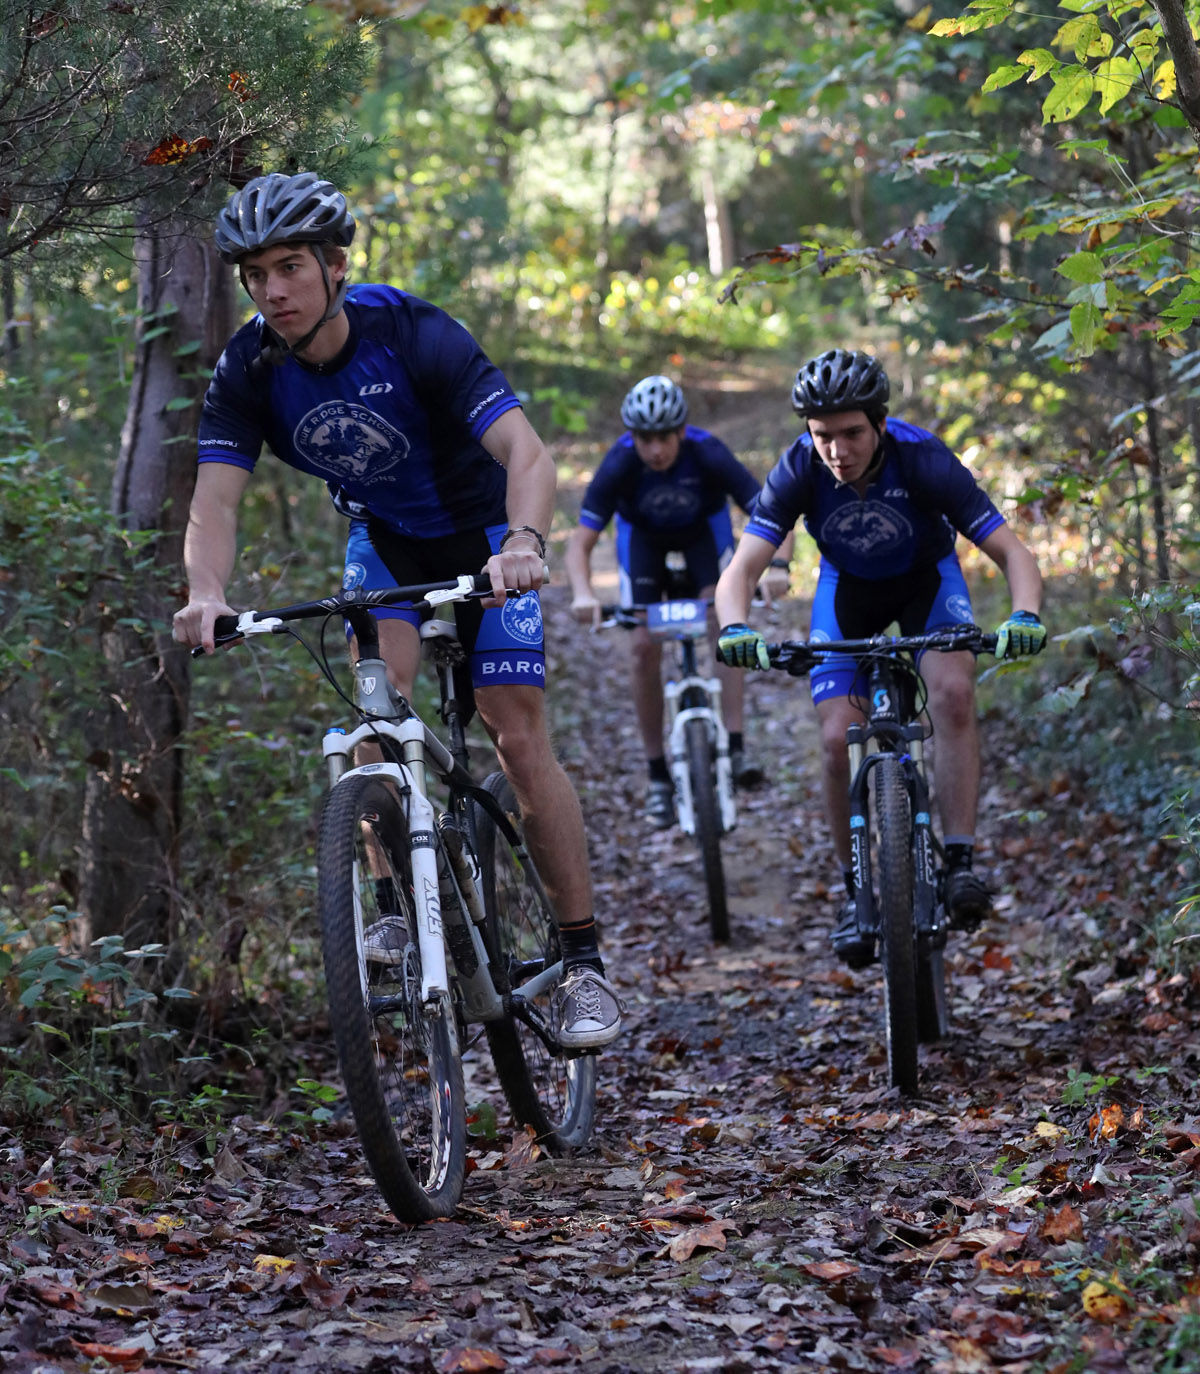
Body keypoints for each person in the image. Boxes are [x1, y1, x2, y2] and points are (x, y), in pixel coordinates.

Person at [171, 171, 621, 1048]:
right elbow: (214, 503)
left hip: (490, 537)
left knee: (518, 737)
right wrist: (206, 595)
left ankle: (584, 964)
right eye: (255, 274)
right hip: (388, 543)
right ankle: (389, 903)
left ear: (337, 265)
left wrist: (524, 543)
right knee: (374, 727)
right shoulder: (249, 368)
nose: (272, 289)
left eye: (290, 266)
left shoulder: (413, 333)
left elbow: (526, 452)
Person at [713, 348, 1045, 967]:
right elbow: (741, 571)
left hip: (927, 582)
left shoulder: (923, 459)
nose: (837, 449)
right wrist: (735, 626)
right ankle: (853, 891)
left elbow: (1013, 553)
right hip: (848, 593)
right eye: (823, 436)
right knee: (837, 740)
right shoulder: (797, 470)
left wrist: (1024, 613)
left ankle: (961, 861)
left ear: (881, 425)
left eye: (852, 433)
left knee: (951, 694)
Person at [564, 375, 792, 827]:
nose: (654, 450)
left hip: (703, 541)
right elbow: (579, 545)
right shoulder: (620, 462)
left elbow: (771, 513)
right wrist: (584, 594)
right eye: (644, 439)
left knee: (723, 624)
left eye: (662, 438)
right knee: (644, 646)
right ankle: (657, 775)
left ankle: (735, 743)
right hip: (644, 544)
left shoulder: (707, 451)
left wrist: (780, 568)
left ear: (681, 432)